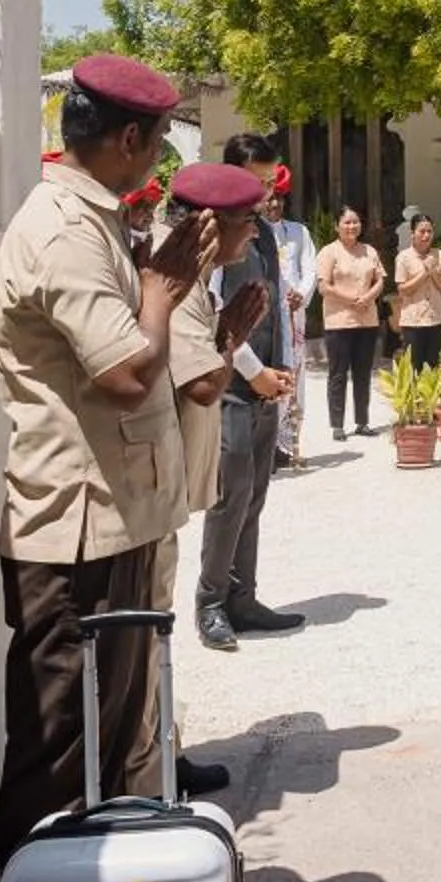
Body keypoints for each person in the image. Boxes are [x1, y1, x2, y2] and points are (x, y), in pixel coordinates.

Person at [0, 54, 215, 875]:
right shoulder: (61, 230)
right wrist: (160, 292)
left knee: (107, 770)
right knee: (56, 780)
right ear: (129, 137)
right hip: (75, 546)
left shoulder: (97, 219)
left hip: (115, 530)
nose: (160, 160)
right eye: (159, 143)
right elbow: (124, 376)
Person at [148, 163, 274, 800]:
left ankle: (162, 752)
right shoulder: (187, 285)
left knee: (151, 637)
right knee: (144, 634)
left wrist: (226, 337)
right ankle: (150, 766)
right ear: (210, 227)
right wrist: (231, 341)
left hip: (160, 484)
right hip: (143, 485)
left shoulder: (197, 282)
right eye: (247, 222)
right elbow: (201, 383)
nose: (254, 234)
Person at [196, 132, 304, 652]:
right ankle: (211, 604)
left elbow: (277, 305)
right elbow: (214, 317)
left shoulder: (264, 232)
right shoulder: (216, 231)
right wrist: (254, 370)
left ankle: (244, 598)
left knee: (256, 495)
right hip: (232, 384)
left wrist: (282, 368)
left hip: (266, 382)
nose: (266, 191)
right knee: (229, 496)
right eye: (257, 181)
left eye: (270, 181)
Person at [314, 208, 388, 438]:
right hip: (339, 321)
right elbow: (323, 286)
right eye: (346, 222)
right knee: (338, 374)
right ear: (337, 226)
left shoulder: (369, 250)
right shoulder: (329, 252)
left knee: (363, 373)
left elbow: (380, 280)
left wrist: (368, 297)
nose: (352, 227)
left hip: (366, 320)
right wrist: (350, 299)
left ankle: (362, 422)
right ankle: (337, 425)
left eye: (355, 222)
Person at [263, 165, 316, 472]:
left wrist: (302, 292)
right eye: (270, 198)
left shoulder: (298, 232)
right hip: (267, 318)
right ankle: (266, 444)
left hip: (294, 317)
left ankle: (286, 445)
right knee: (271, 371)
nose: (275, 205)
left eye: (280, 199)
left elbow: (310, 269)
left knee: (295, 376)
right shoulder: (254, 232)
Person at [393, 216, 441, 369]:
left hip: (435, 320)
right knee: (414, 367)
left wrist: (433, 273)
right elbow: (402, 290)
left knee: (432, 367)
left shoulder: (440, 255)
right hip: (413, 321)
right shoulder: (403, 257)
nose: (426, 235)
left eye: (430, 231)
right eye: (422, 231)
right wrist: (423, 274)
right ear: (412, 233)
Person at [121, 175, 162, 258]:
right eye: (145, 208)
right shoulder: (118, 227)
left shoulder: (145, 238)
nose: (149, 216)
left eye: (151, 210)